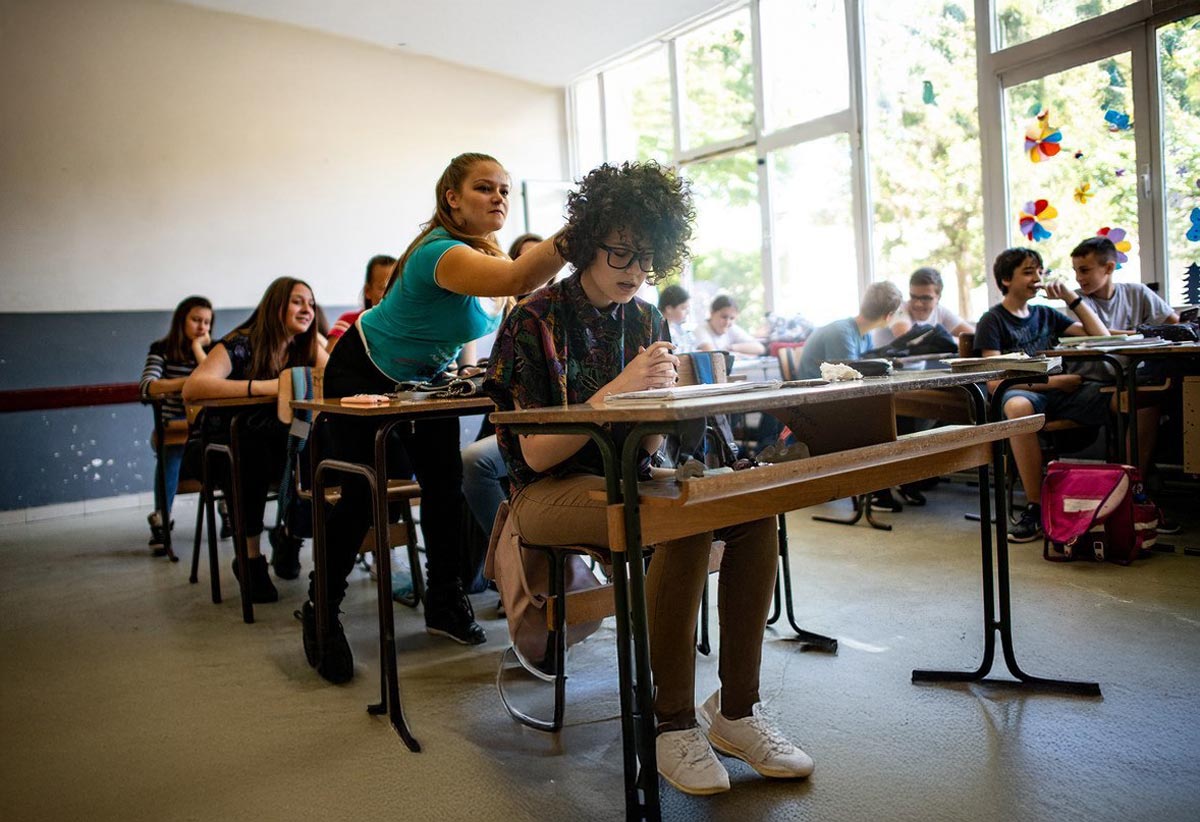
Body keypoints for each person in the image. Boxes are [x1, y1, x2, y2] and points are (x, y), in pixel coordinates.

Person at [485, 161, 813, 798]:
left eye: (648, 258)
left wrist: (660, 402)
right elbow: (536, 454)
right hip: (544, 493)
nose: (635, 272)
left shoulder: (642, 319)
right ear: (586, 240)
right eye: (622, 253)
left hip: (632, 474)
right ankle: (670, 723)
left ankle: (736, 712)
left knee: (749, 512)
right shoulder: (534, 318)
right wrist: (614, 395)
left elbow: (652, 443)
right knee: (681, 518)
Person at [298, 152, 566, 685]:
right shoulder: (439, 252)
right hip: (364, 368)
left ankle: (445, 601)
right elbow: (518, 274)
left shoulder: (478, 252)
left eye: (505, 191)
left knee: (444, 487)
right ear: (452, 198)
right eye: (484, 189)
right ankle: (321, 609)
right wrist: (580, 230)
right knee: (361, 494)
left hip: (425, 379)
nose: (499, 199)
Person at [182, 277, 329, 598]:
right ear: (276, 305)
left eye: (311, 304)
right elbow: (193, 387)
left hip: (277, 444)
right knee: (250, 448)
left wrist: (320, 343)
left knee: (319, 439)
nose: (307, 309)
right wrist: (263, 387)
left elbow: (332, 383)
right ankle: (250, 558)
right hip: (217, 447)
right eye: (297, 301)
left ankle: (291, 533)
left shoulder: (304, 346)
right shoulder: (240, 343)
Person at [974, 247, 1110, 543]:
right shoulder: (993, 320)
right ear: (1006, 280)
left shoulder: (1046, 314)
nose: (1037, 278)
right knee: (1019, 407)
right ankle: (1035, 507)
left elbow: (1102, 337)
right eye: (1027, 272)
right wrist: (1054, 383)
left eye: (1039, 271)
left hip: (1061, 392)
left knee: (1117, 393)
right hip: (1024, 392)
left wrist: (1071, 299)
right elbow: (996, 384)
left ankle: (1120, 495)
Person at [460, 230, 546, 594]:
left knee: (475, 461)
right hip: (506, 417)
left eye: (540, 264)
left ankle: (516, 573)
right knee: (469, 463)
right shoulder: (501, 312)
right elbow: (473, 365)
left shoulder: (559, 312)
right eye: (526, 266)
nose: (535, 275)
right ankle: (504, 571)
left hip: (544, 426)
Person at [1072, 237, 1180, 520]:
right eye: (1075, 271)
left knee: (1161, 388)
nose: (1078, 278)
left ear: (1108, 268)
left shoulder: (1136, 292)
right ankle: (1132, 489)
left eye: (1084, 270)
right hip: (1097, 380)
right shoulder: (1078, 302)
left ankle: (1134, 483)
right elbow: (1099, 338)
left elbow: (1174, 325)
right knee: (1144, 400)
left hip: (1135, 374)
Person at [797, 281, 904, 508]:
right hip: (815, 403)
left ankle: (888, 484)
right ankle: (877, 489)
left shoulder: (860, 335)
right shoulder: (842, 333)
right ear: (889, 315)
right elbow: (849, 380)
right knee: (881, 416)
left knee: (892, 413)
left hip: (825, 398)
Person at [140, 295, 213, 554]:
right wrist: (188, 384)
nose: (202, 327)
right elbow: (148, 386)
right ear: (181, 320)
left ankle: (228, 510)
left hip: (207, 426)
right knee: (171, 455)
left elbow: (215, 381)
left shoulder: (211, 351)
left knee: (227, 449)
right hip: (175, 427)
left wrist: (197, 348)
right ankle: (161, 518)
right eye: (196, 320)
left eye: (207, 322)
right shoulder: (162, 349)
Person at [872, 267, 975, 348]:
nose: (918, 304)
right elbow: (909, 339)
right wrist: (948, 339)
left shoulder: (940, 311)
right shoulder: (898, 309)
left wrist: (947, 339)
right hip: (882, 371)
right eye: (913, 297)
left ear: (938, 297)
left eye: (925, 298)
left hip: (914, 372)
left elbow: (976, 338)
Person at [326, 254, 396, 351]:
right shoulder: (349, 322)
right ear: (368, 291)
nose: (391, 294)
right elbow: (329, 360)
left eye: (396, 287)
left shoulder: (410, 326)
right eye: (383, 288)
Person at [693, 295, 766, 355]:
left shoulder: (731, 328)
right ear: (712, 314)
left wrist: (731, 348)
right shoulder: (701, 330)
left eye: (732, 318)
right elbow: (711, 354)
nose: (727, 322)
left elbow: (760, 348)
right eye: (724, 317)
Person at [658, 283, 695, 353]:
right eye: (683, 308)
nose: (687, 312)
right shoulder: (657, 331)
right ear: (669, 309)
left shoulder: (678, 329)